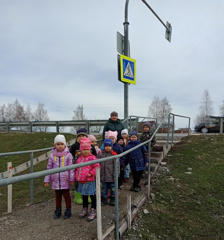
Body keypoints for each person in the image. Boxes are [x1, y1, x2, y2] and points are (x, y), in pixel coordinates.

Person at [44, 134, 74, 219]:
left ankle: (68, 210)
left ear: (65, 144)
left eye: (61, 144)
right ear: (55, 145)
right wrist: (47, 179)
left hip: (65, 180)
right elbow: (49, 168)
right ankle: (58, 210)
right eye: (58, 144)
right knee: (57, 197)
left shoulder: (68, 155)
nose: (60, 146)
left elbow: (71, 168)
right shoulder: (52, 156)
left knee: (67, 196)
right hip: (56, 180)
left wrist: (71, 179)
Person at [75, 138, 100, 221]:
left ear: (90, 149)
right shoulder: (79, 159)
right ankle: (84, 208)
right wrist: (76, 176)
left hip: (90, 180)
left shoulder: (92, 158)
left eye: (87, 149)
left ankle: (93, 209)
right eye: (84, 149)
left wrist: (91, 173)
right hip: (82, 181)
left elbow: (97, 166)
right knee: (84, 196)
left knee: (92, 195)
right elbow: (76, 168)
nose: (85, 151)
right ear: (81, 150)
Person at [69, 128, 96, 205]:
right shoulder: (74, 146)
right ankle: (77, 197)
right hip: (78, 168)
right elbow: (71, 155)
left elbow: (95, 155)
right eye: (79, 136)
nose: (81, 137)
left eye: (83, 135)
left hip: (89, 168)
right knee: (78, 183)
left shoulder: (91, 146)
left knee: (88, 183)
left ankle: (88, 196)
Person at [99, 139, 118, 206]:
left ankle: (113, 199)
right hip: (103, 176)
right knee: (104, 189)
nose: (107, 147)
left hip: (111, 177)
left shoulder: (114, 155)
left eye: (109, 146)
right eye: (106, 146)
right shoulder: (101, 155)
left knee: (113, 189)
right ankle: (104, 199)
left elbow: (117, 166)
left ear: (111, 146)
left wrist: (116, 175)